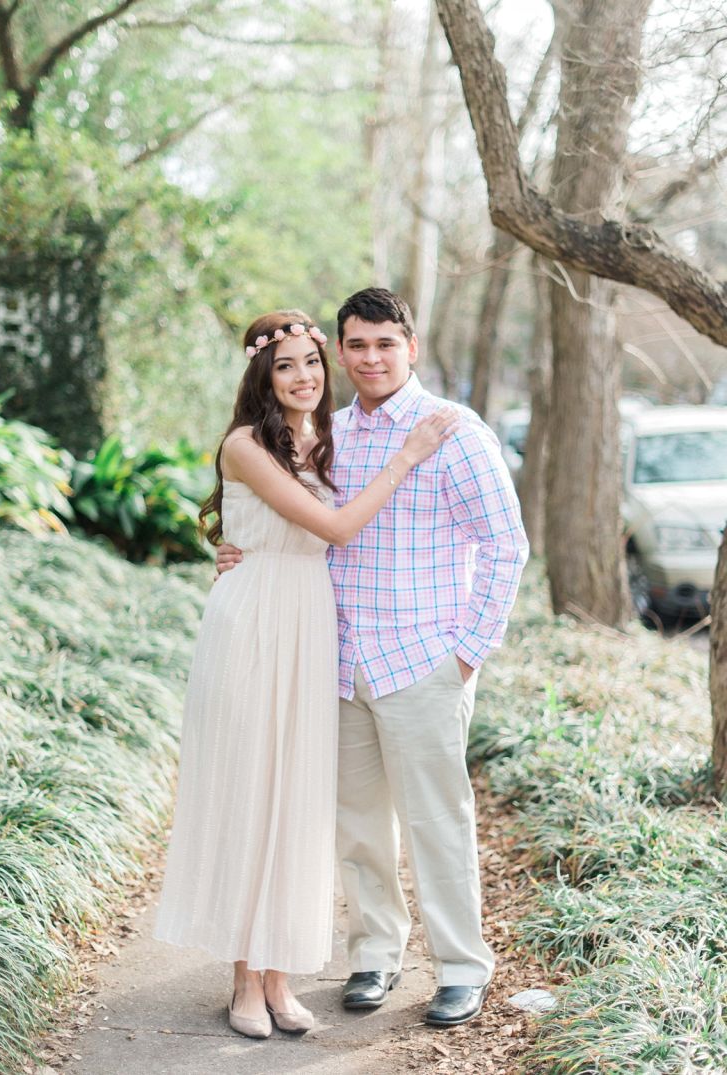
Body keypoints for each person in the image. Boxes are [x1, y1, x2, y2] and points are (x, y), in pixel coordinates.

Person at [217, 288, 529, 1027]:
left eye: (385, 343)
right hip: (334, 656)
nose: (370, 357)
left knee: (436, 821)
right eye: (356, 344)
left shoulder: (454, 431)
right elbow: (288, 517)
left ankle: (458, 967)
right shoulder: (327, 431)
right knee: (358, 823)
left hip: (422, 658)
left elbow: (506, 545)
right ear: (341, 349)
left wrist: (466, 654)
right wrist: (237, 551)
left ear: (410, 346)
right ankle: (374, 955)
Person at [153, 309, 456, 1041]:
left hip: (310, 621)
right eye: (285, 365)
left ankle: (281, 975)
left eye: (311, 363)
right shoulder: (246, 443)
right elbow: (336, 528)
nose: (303, 376)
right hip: (254, 624)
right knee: (251, 792)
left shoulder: (329, 439)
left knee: (296, 797)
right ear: (263, 374)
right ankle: (243, 980)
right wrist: (407, 456)